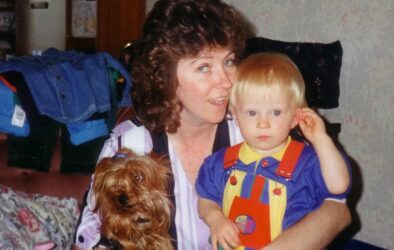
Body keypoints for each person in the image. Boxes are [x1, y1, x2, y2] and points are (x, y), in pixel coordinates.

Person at [72, 0, 351, 249]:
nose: (227, 81)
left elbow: (337, 210)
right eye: (204, 67)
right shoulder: (131, 143)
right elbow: (90, 238)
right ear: (164, 76)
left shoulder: (255, 125)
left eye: (229, 61)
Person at [196, 52, 351, 250]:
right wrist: (215, 218)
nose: (263, 123)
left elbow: (339, 186)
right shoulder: (221, 162)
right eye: (252, 113)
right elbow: (206, 199)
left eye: (276, 112)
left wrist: (320, 139)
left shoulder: (307, 162)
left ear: (295, 117)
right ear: (235, 115)